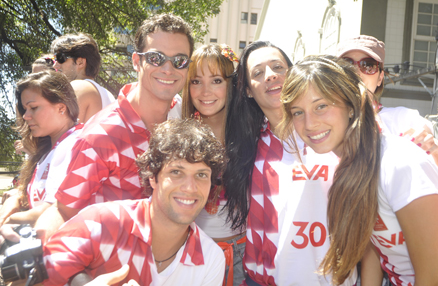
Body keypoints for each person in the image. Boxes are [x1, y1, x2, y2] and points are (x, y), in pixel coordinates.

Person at [33, 13, 194, 244]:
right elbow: (63, 211)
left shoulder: (182, 115)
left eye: (179, 60)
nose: (168, 69)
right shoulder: (101, 135)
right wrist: (31, 254)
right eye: (156, 58)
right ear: (137, 62)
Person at [279, 55, 438, 285]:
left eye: (321, 106)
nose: (309, 123)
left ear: (350, 106)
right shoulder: (350, 166)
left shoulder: (397, 163)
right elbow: (373, 248)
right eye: (297, 112)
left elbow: (432, 275)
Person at [225, 42, 359, 285]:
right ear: (247, 90)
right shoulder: (247, 143)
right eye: (258, 73)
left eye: (278, 67)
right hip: (257, 278)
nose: (271, 75)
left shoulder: (326, 132)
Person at [38, 119, 226, 285]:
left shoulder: (211, 259)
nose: (190, 187)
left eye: (201, 175)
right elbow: (29, 281)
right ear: (153, 176)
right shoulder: (101, 224)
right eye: (176, 172)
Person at [182, 44, 244, 286]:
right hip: (192, 253)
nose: (205, 91)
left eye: (216, 80)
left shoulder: (253, 132)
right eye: (196, 81)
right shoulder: (179, 129)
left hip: (243, 253)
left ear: (232, 84)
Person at [0, 71, 83, 232]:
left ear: (61, 107)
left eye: (33, 107)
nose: (26, 116)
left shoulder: (76, 143)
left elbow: (55, 211)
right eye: (25, 109)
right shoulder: (50, 148)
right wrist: (17, 197)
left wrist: (6, 218)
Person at [337, 35, 438, 165]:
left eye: (368, 65)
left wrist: (434, 152)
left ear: (380, 78)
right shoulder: (317, 120)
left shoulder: (405, 119)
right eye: (347, 64)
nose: (356, 72)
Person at [51, 33, 115, 123]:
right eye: (54, 59)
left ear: (80, 62)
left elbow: (62, 133)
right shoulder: (106, 94)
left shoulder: (79, 87)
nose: (55, 65)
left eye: (60, 58)